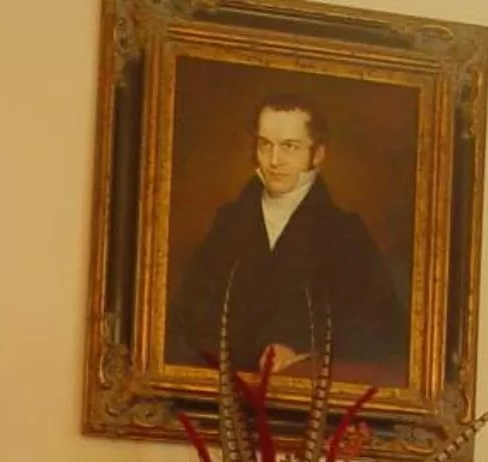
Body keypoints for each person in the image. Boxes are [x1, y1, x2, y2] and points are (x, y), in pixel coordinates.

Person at [164, 94, 407, 383]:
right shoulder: (229, 221)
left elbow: (381, 328)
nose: (274, 160)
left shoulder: (345, 233)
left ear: (317, 154)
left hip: (305, 388)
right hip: (228, 387)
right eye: (265, 145)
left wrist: (302, 353)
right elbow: (190, 315)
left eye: (289, 147)